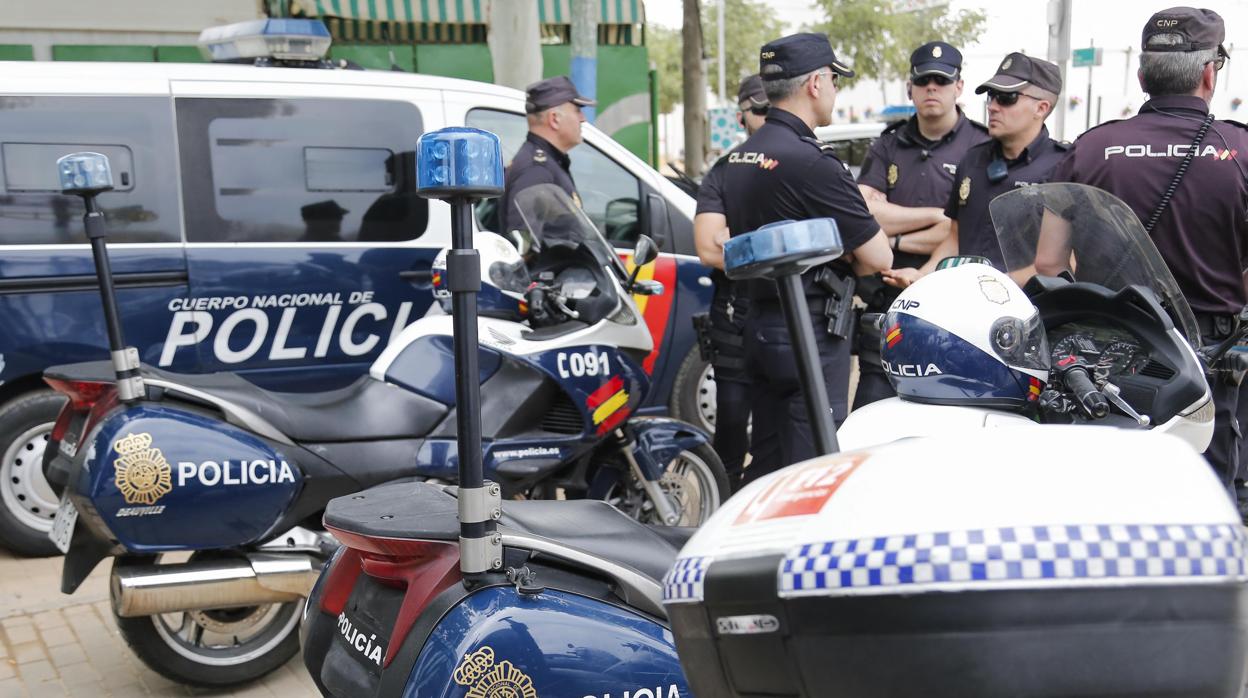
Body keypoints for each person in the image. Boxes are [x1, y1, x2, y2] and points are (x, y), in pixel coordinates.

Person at [1048, 6, 1248, 493]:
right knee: (1209, 498)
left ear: (1142, 76)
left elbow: (1048, 264)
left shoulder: (1090, 149)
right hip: (1208, 363)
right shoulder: (1239, 151)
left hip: (1109, 363)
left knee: (1113, 494)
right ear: (1208, 72)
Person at [699, 32, 892, 482]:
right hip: (810, 332)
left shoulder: (740, 159)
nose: (835, 91)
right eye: (835, 81)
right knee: (814, 471)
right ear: (816, 83)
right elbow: (878, 256)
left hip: (759, 328)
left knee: (767, 467)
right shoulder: (813, 163)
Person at [852, 41, 989, 408]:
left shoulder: (982, 146)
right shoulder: (888, 144)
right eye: (924, 80)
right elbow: (865, 210)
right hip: (889, 297)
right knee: (870, 413)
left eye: (941, 81)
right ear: (910, 87)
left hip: (954, 306)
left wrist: (892, 237)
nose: (932, 88)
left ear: (958, 87)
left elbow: (962, 232)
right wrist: (937, 215)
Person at [921, 53, 1067, 273]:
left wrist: (992, 288)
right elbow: (954, 239)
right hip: (966, 298)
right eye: (992, 96)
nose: (993, 106)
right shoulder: (971, 160)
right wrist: (923, 276)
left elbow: (1059, 262)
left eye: (1007, 98)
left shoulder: (1062, 167)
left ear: (1041, 108)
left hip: (1030, 303)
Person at [693, 74, 770, 490]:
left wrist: (739, 244)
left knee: (782, 431)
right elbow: (709, 248)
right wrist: (777, 247)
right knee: (732, 424)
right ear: (742, 115)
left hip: (786, 315)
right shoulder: (726, 171)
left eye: (771, 109)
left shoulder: (801, 161)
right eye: (758, 110)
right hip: (734, 314)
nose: (765, 117)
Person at [499, 76, 595, 236]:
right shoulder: (536, 172)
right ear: (554, 119)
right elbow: (526, 248)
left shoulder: (548, 164)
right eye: (577, 110)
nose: (583, 119)